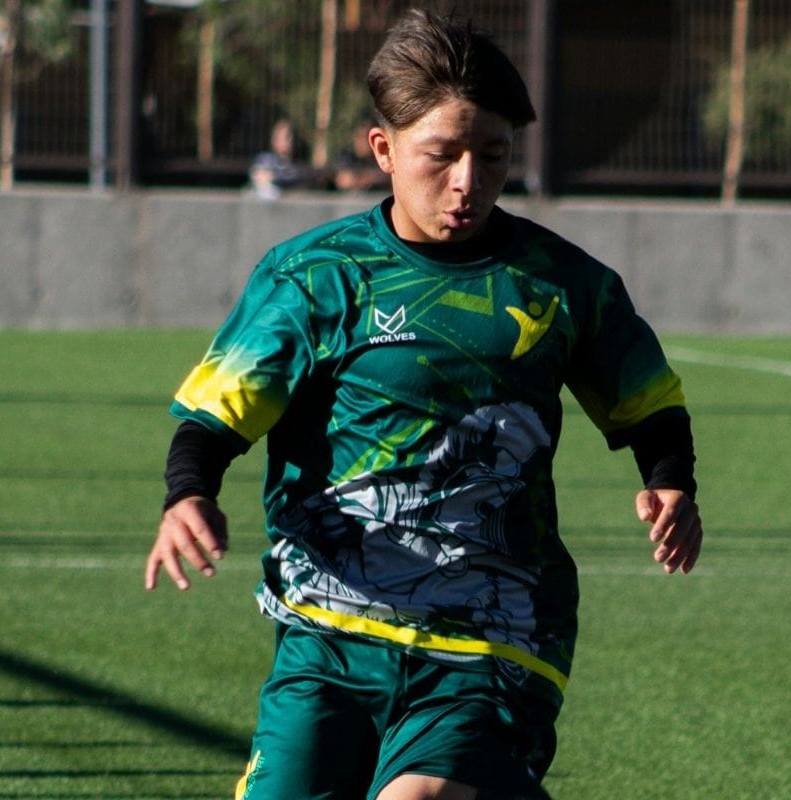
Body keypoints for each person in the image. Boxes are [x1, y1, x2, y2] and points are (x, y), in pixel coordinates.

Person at [145, 8, 703, 800]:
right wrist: (187, 494)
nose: (468, 180)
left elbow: (647, 399)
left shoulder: (561, 283)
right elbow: (218, 410)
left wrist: (670, 479)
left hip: (495, 628)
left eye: (494, 156)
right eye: (442, 154)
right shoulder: (316, 276)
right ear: (384, 149)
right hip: (328, 628)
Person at [249, 118, 314, 200]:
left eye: (288, 137)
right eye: (279, 137)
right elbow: (259, 178)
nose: (284, 141)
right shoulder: (265, 159)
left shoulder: (297, 164)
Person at [333, 118, 391, 192]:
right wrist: (370, 178)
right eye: (360, 137)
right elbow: (343, 181)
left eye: (366, 137)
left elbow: (389, 176)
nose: (363, 141)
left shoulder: (383, 155)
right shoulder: (347, 157)